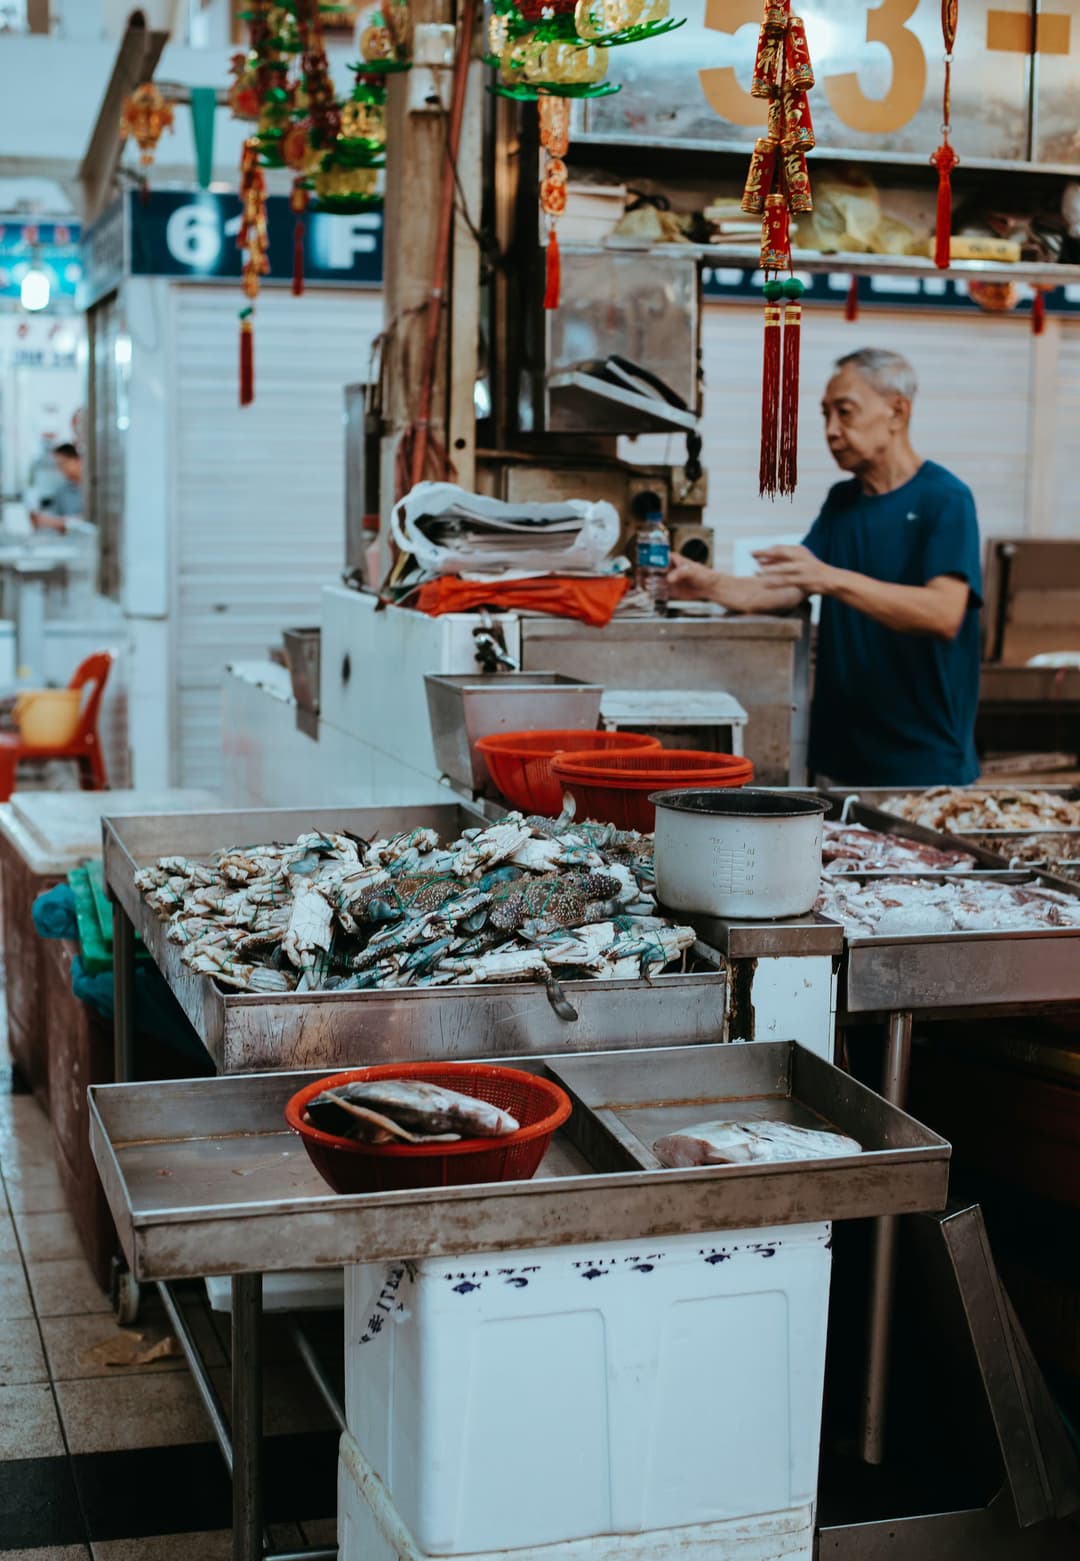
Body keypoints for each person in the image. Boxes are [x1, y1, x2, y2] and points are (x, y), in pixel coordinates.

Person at [668, 348, 982, 786]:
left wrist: (830, 578)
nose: (831, 431)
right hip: (841, 761)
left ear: (897, 411)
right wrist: (704, 582)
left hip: (922, 764)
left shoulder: (945, 500)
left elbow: (943, 613)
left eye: (845, 412)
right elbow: (785, 588)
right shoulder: (843, 503)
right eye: (825, 415)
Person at [30, 443, 84, 534]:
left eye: (63, 463)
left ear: (77, 460)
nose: (61, 469)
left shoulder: (95, 489)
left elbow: (91, 521)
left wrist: (60, 523)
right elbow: (50, 522)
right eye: (58, 465)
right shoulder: (61, 491)